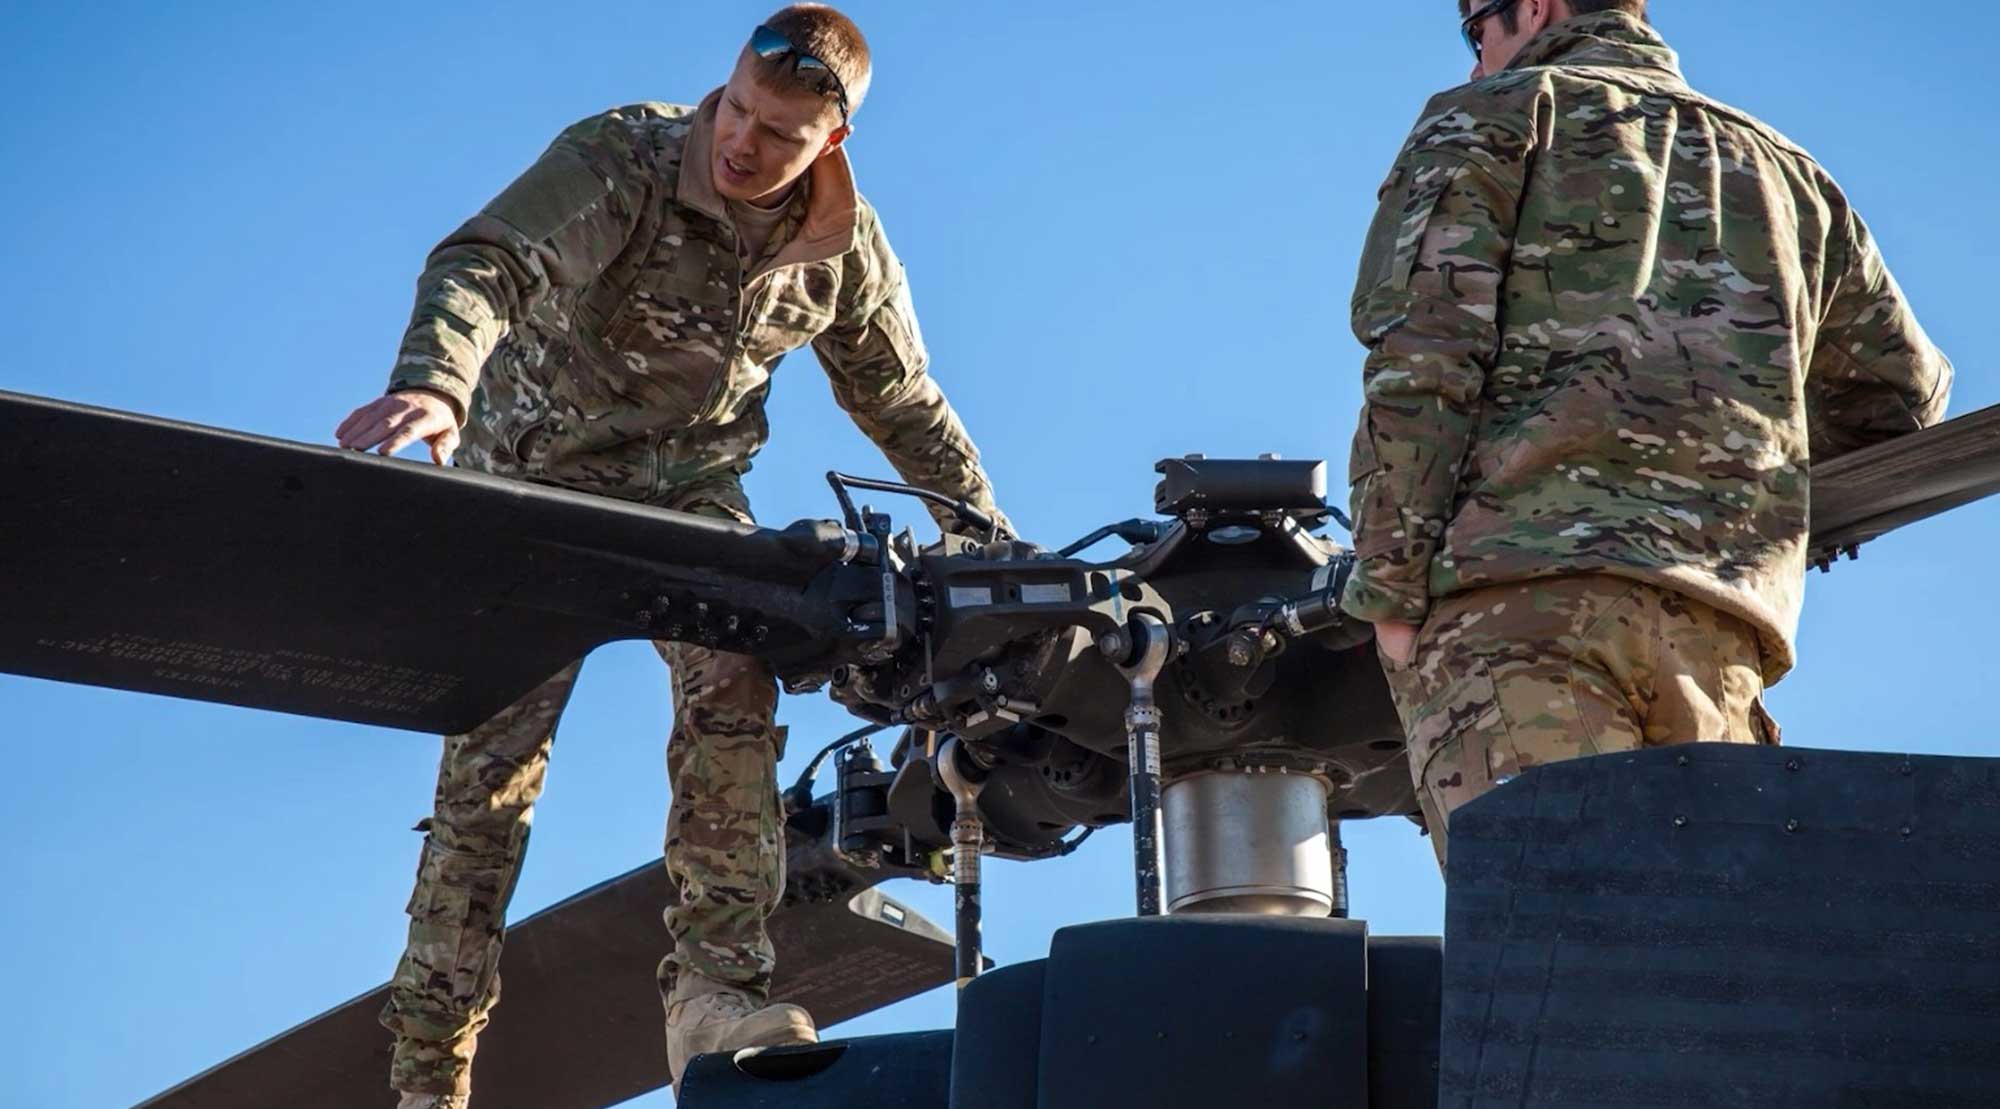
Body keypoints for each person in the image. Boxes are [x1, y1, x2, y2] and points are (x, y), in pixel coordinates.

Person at [334, 6, 1012, 1105]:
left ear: (830, 142)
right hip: (535, 492)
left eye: (778, 133)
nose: (742, 142)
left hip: (686, 503)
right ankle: (429, 1077)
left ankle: (714, 993)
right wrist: (438, 381)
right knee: (487, 793)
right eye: (736, 109)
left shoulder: (840, 248)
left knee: (736, 679)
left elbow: (898, 397)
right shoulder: (625, 161)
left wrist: (987, 537)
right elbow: (488, 262)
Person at [1341, 0, 1952, 865]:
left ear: (1537, 6)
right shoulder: (1790, 178)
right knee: (1702, 944)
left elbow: (1424, 363)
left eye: (1477, 30)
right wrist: (1732, 493)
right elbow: (1905, 399)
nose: (1476, 62)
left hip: (1520, 619)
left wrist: (1392, 597)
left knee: (1559, 933)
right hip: (1716, 647)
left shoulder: (1500, 114)